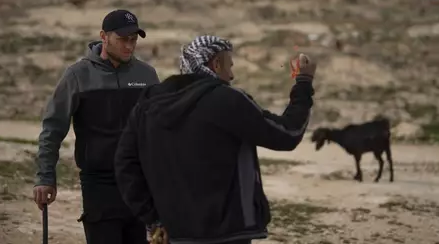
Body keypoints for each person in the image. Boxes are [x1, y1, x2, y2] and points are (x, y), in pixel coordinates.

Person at [114, 35, 317, 244]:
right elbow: (286, 134)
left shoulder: (148, 105)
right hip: (227, 234)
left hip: (173, 234)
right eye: (229, 65)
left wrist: (154, 218)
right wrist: (304, 82)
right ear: (216, 64)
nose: (232, 75)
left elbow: (125, 165)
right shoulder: (227, 100)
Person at [33, 9, 160, 244]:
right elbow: (52, 129)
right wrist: (45, 177)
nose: (129, 46)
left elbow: (159, 131)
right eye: (122, 39)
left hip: (139, 185)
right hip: (99, 185)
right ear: (104, 36)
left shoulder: (147, 75)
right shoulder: (77, 75)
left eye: (133, 40)